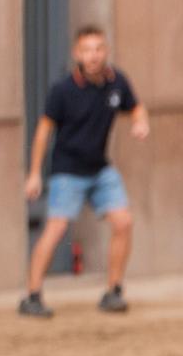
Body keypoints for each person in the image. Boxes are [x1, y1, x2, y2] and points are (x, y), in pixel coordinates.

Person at [21, 25, 148, 317]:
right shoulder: (63, 90)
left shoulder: (117, 82)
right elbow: (43, 132)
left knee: (123, 222)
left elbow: (137, 107)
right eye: (87, 50)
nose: (93, 56)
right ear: (77, 54)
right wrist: (34, 173)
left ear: (106, 51)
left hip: (100, 169)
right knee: (56, 229)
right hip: (67, 170)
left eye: (98, 49)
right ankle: (32, 295)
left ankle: (113, 290)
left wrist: (141, 122)